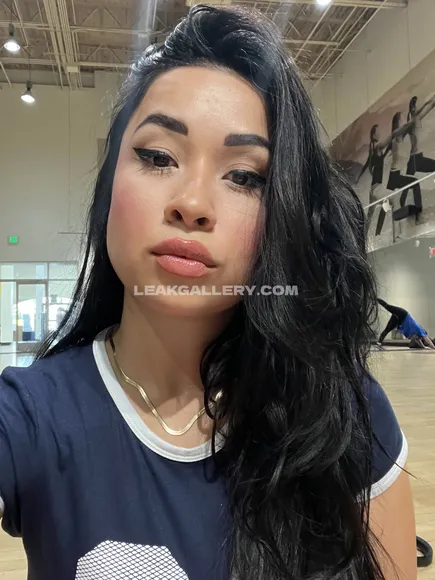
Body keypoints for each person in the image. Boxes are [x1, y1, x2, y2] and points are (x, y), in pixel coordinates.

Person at [0, 6, 416, 580]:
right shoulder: (28, 416)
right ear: (109, 184)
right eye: (158, 157)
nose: (192, 204)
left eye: (244, 176)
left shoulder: (340, 412)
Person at [357, 120, 413, 236]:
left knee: (370, 215)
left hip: (373, 190)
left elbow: (367, 165)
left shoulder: (372, 149)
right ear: (373, 135)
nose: (379, 135)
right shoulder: (377, 148)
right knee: (395, 199)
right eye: (377, 133)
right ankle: (397, 235)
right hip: (377, 188)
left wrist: (358, 178)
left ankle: (362, 238)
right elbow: (392, 135)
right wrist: (405, 126)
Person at [386, 112, 422, 211]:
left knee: (387, 205)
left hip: (396, 174)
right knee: (415, 183)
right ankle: (418, 211)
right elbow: (405, 128)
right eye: (402, 120)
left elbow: (408, 129)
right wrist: (410, 121)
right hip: (394, 176)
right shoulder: (396, 134)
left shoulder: (400, 135)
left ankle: (403, 203)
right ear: (397, 122)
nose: (404, 122)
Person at [406, 94, 435, 177]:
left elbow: (428, 109)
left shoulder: (417, 120)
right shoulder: (411, 122)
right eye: (413, 107)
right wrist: (425, 104)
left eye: (415, 107)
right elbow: (413, 115)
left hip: (418, 157)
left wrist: (431, 102)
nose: (415, 109)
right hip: (414, 158)